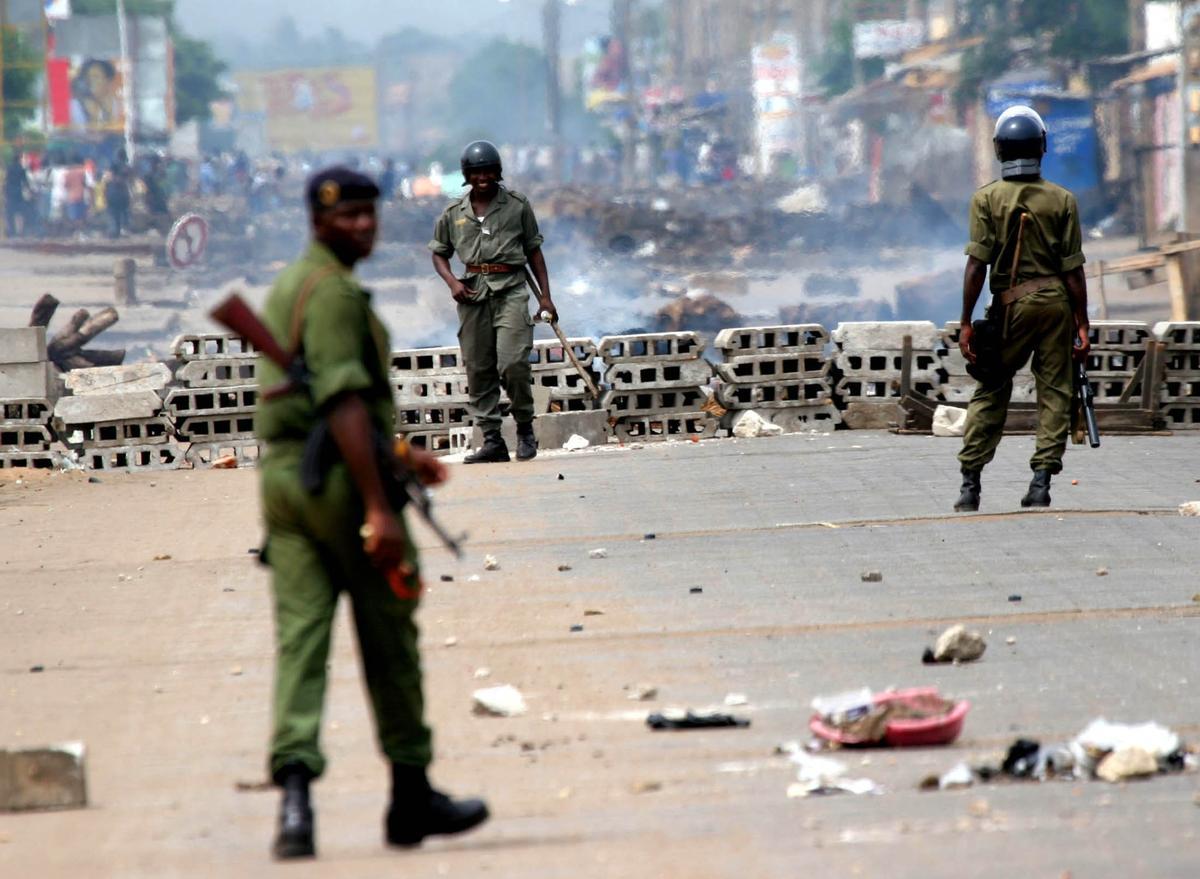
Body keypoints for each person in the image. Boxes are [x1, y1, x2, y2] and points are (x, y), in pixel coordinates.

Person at [255, 167, 489, 860]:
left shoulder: (292, 284)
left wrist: (402, 455)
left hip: (287, 483)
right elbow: (344, 401)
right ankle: (410, 796)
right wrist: (381, 509)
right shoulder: (330, 293)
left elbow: (323, 399)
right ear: (318, 221)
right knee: (391, 631)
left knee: (301, 641)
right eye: (347, 216)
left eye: (369, 213)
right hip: (336, 487)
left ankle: (295, 804)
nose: (363, 226)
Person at [954, 106, 1090, 511]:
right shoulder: (1063, 200)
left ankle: (970, 485)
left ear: (999, 150)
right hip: (1055, 308)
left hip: (1010, 308)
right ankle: (1041, 483)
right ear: (1042, 147)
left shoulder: (986, 199)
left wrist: (965, 322)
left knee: (992, 387)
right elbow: (1073, 270)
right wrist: (1082, 322)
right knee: (1055, 391)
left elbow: (977, 265)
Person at [428, 140, 557, 463]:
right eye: (476, 172)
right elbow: (438, 253)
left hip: (511, 288)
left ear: (497, 172)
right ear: (466, 176)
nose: (482, 177)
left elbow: (534, 251)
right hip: (472, 293)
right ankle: (492, 440)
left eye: (488, 171)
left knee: (513, 362)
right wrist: (452, 282)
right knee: (479, 368)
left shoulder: (516, 205)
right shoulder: (453, 213)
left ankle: (525, 429)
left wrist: (545, 297)